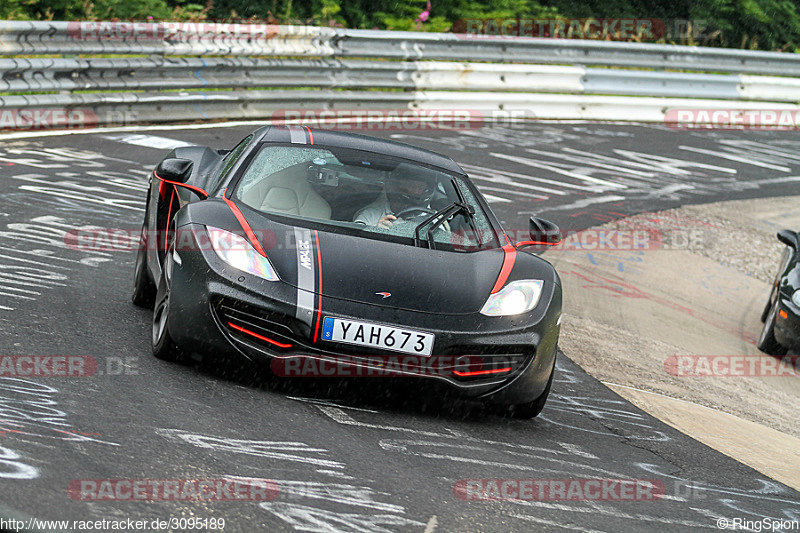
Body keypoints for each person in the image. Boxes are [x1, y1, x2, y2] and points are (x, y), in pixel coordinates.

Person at [354, 163, 440, 228]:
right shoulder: (370, 215)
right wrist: (377, 230)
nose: (416, 191)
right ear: (397, 186)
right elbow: (355, 242)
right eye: (411, 185)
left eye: (420, 187)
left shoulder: (432, 219)